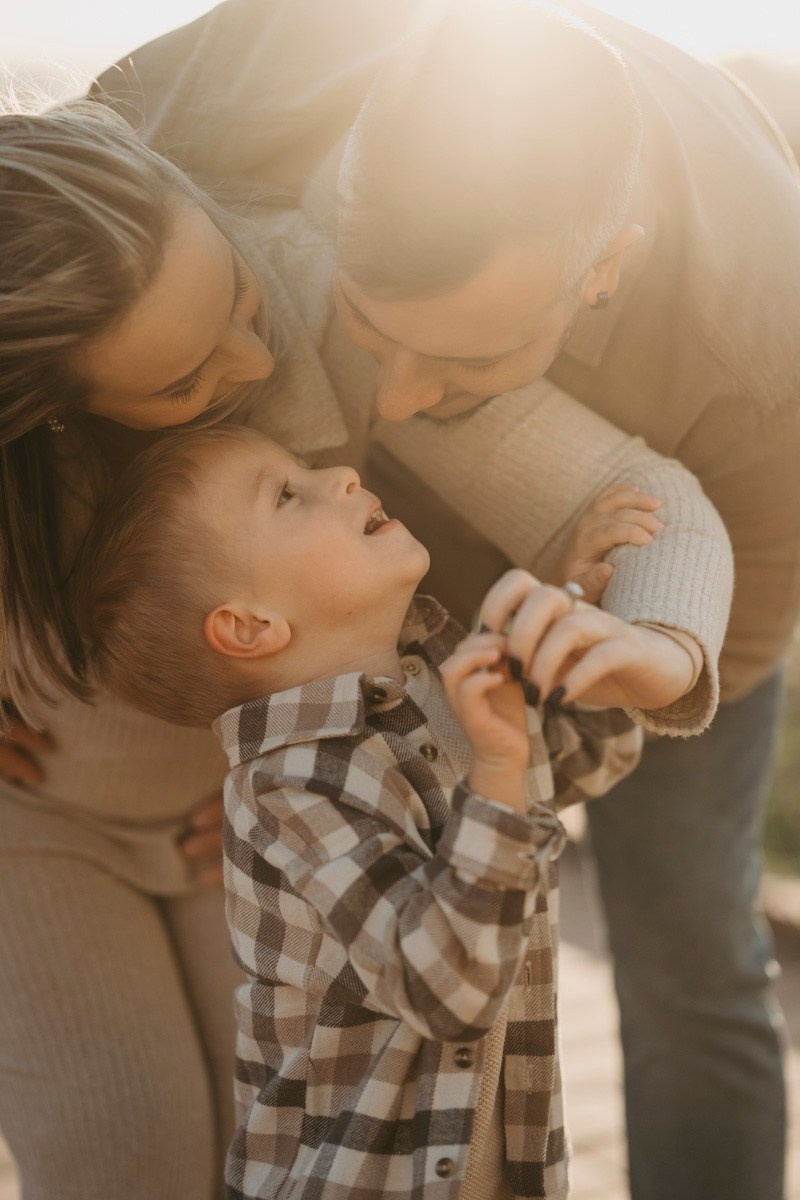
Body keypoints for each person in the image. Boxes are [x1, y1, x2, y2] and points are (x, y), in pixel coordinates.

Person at [88, 3, 800, 1196]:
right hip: (389, 601)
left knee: (688, 945)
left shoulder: (759, 321)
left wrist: (649, 652)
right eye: (371, 331)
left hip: (685, 596)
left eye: (465, 365)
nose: (400, 404)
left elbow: (733, 585)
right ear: (335, 182)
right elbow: (46, 276)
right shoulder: (252, 71)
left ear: (602, 268)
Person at [70, 422, 686, 1199]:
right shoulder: (287, 790)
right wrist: (497, 764)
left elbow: (583, 754)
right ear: (251, 625)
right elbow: (446, 989)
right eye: (287, 494)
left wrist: (569, 622)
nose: (340, 474)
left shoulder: (436, 678)